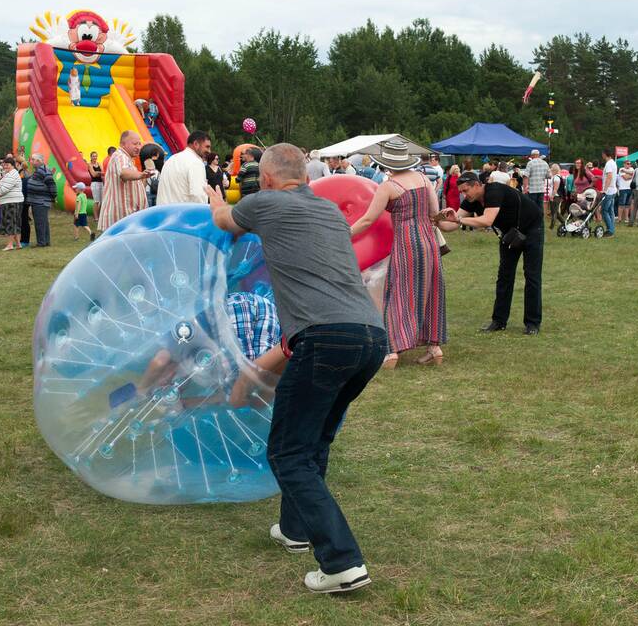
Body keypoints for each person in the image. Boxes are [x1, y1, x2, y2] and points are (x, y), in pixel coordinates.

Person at [206, 143, 385, 594]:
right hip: (370, 337)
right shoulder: (327, 211)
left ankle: (342, 562)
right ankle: (296, 529)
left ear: (266, 178)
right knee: (313, 439)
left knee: (287, 453)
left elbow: (225, 222)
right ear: (305, 176)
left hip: (324, 338)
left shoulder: (263, 203)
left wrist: (213, 197)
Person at [350, 142, 446, 369]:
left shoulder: (389, 186)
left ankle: (392, 350)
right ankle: (434, 348)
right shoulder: (424, 179)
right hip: (429, 242)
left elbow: (367, 219)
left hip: (406, 244)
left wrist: (345, 233)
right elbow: (435, 215)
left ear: (386, 163)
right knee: (431, 292)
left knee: (398, 294)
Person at [437, 172, 544, 335]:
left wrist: (457, 220)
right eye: (461, 192)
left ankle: (532, 323)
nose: (464, 195)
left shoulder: (494, 191)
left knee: (531, 275)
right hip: (511, 233)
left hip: (532, 228)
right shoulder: (471, 200)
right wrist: (435, 221)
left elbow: (486, 220)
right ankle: (499, 321)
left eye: (466, 190)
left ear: (477, 185)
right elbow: (452, 224)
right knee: (504, 276)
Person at [98, 131, 154, 232]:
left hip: (126, 221)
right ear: (122, 144)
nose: (138, 147)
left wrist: (144, 176)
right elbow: (123, 172)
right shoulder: (120, 156)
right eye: (134, 144)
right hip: (121, 222)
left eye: (139, 144)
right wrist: (141, 175)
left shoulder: (128, 160)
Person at [158, 131, 211, 205]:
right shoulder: (196, 162)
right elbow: (198, 195)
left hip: (164, 212)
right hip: (184, 213)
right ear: (196, 144)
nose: (209, 151)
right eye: (207, 147)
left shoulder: (171, 159)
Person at [26, 153, 57, 247]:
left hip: (41, 201)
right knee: (43, 222)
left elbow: (52, 185)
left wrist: (53, 197)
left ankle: (41, 243)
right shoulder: (39, 170)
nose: (31, 161)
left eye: (33, 160)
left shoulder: (43, 170)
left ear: (38, 161)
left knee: (40, 222)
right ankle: (46, 241)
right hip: (38, 200)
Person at [0, 157, 24, 251]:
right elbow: (1, 184)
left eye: (8, 165)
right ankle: (18, 244)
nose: (5, 166)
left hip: (12, 202)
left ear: (13, 165)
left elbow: (5, 188)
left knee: (10, 223)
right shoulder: (9, 174)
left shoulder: (12, 174)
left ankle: (10, 245)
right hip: (11, 201)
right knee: (15, 223)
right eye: (4, 165)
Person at [600, 148, 618, 237]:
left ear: (604, 154)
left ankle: (610, 230)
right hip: (613, 190)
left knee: (604, 211)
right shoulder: (613, 163)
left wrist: (605, 190)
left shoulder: (608, 164)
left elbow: (609, 177)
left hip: (609, 191)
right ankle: (612, 229)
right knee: (610, 211)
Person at [617, 159, 634, 224]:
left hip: (630, 188)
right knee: (621, 204)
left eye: (629, 163)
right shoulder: (621, 169)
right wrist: (631, 175)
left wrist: (628, 173)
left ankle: (626, 218)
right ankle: (619, 218)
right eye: (627, 163)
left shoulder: (632, 169)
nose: (629, 165)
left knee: (627, 205)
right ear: (624, 164)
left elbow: (632, 174)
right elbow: (625, 178)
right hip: (623, 189)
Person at [546, 163, 562, 229]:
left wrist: (552, 196)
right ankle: (564, 223)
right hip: (554, 196)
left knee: (554, 212)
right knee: (556, 212)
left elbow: (555, 189)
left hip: (555, 196)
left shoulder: (556, 178)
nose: (551, 170)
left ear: (554, 170)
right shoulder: (554, 177)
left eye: (552, 169)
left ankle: (551, 227)